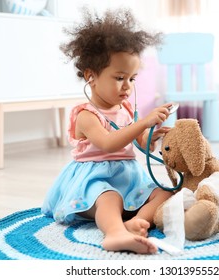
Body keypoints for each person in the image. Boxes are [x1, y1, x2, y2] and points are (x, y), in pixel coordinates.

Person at [41, 8, 173, 254]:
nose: (127, 86)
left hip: (127, 177)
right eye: (120, 77)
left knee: (164, 193)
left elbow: (138, 142)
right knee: (109, 198)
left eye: (132, 79)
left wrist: (150, 137)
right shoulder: (86, 115)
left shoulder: (124, 109)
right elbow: (109, 143)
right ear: (91, 76)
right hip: (94, 181)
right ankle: (114, 234)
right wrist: (142, 123)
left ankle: (137, 221)